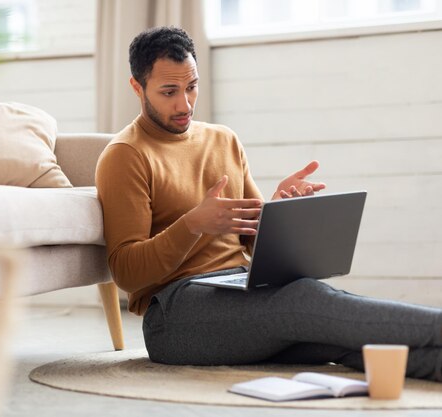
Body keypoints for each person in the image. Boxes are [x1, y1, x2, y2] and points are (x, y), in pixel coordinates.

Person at [95, 26, 442, 381]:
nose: (184, 104)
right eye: (169, 92)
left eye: (191, 87)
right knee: (306, 302)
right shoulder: (125, 156)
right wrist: (193, 225)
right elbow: (126, 272)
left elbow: (251, 239)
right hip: (175, 316)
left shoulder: (223, 139)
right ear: (137, 87)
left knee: (339, 340)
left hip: (243, 289)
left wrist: (278, 212)